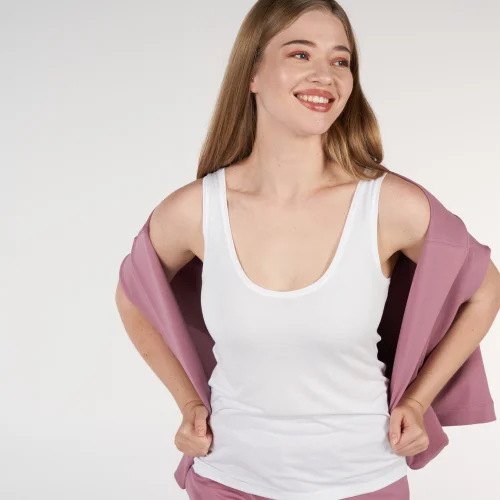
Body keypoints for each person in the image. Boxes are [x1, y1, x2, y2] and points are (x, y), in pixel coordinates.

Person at [115, 1, 498, 499]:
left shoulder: (388, 206)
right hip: (228, 480)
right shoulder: (195, 211)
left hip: (364, 481)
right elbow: (133, 297)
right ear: (252, 73)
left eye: (341, 61)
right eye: (300, 54)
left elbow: (484, 291)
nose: (326, 76)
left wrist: (417, 402)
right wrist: (189, 403)